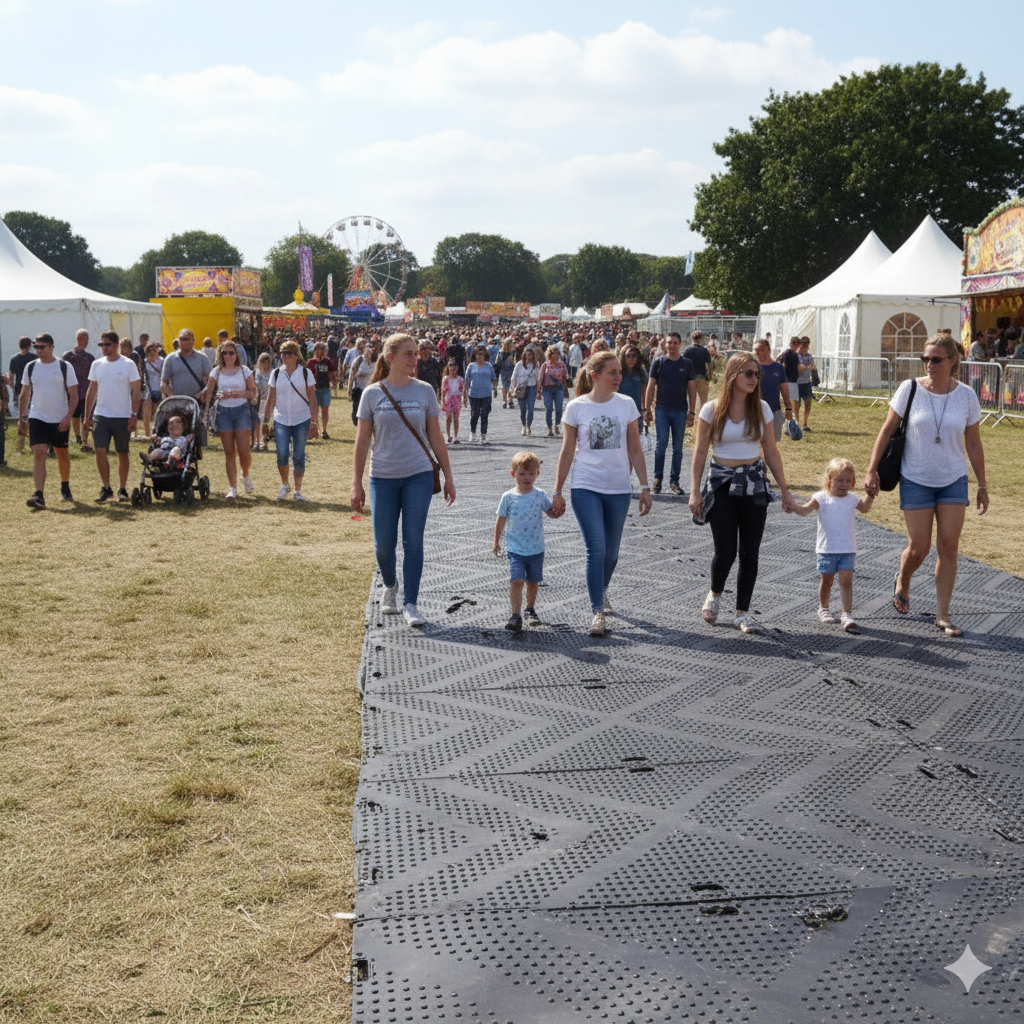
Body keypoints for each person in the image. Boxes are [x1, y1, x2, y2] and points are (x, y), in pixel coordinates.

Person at [864, 334, 988, 636]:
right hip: (915, 477)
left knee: (949, 546)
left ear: (952, 361)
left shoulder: (966, 396)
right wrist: (871, 470)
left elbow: (973, 443)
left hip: (953, 479)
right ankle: (903, 578)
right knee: (919, 547)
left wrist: (982, 484)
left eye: (936, 359)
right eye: (925, 359)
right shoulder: (910, 389)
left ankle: (942, 614)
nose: (929, 365)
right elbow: (886, 430)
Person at [351, 333, 456, 628]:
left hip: (418, 475)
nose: (415, 358)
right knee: (383, 545)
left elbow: (435, 435)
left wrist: (448, 476)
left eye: (416, 353)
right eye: (408, 354)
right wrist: (355, 483)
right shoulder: (371, 394)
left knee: (413, 541)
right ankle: (390, 584)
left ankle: (411, 603)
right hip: (382, 476)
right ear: (390, 358)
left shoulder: (424, 391)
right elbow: (361, 443)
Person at [689, 353, 796, 633]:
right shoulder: (711, 410)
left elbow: (770, 450)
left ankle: (742, 612)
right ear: (733, 375)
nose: (753, 379)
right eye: (748, 373)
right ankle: (715, 593)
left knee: (750, 552)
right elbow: (700, 452)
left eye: (756, 374)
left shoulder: (761, 408)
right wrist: (694, 492)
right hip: (722, 483)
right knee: (725, 551)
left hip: (753, 483)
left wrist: (784, 490)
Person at [551, 351, 652, 637]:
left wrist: (644, 486)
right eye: (612, 372)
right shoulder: (576, 407)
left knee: (612, 553)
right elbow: (568, 450)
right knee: (596, 550)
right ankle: (597, 611)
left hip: (618, 488)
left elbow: (634, 448)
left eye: (620, 372)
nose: (619, 377)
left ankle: (601, 587)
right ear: (595, 376)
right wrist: (557, 490)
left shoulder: (627, 404)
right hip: (585, 486)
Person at [790, 457, 875, 632]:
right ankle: (824, 608)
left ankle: (846, 613)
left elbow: (865, 508)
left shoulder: (852, 499)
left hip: (847, 549)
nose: (844, 484)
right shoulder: (820, 498)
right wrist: (793, 506)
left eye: (848, 481)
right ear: (829, 480)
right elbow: (805, 510)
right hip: (827, 549)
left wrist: (871, 495)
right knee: (827, 580)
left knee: (846, 580)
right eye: (839, 480)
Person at [493, 450, 560, 632]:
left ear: (537, 473)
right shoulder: (508, 497)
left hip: (537, 548)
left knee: (533, 581)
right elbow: (501, 519)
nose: (527, 477)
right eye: (522, 473)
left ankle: (530, 609)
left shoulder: (539, 495)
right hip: (515, 549)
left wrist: (558, 510)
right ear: (513, 474)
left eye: (531, 473)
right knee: (517, 580)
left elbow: (550, 513)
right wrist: (496, 541)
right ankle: (515, 615)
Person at [18, 333, 77, 508]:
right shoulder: (30, 367)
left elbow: (74, 396)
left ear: (51, 347)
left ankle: (65, 486)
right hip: (37, 417)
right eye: (36, 347)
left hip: (59, 418)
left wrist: (68, 417)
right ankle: (39, 495)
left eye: (42, 347)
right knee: (39, 452)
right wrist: (22, 418)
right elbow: (25, 394)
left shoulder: (64, 366)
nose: (39, 350)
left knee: (62, 454)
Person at [83, 330, 142, 503]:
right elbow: (91, 390)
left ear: (117, 346)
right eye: (102, 344)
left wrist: (133, 415)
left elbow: (136, 392)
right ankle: (106, 487)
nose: (104, 348)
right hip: (101, 415)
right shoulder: (97, 364)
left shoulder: (128, 364)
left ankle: (122, 489)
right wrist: (87, 416)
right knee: (100, 450)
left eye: (107, 344)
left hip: (122, 416)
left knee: (122, 453)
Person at [263, 340, 319, 500]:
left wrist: (314, 422)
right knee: (281, 454)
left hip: (302, 418)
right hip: (281, 419)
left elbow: (313, 399)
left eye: (288, 353)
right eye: (282, 353)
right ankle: (285, 484)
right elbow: (270, 398)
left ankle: (298, 490)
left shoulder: (305, 373)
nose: (285, 356)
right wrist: (265, 420)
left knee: (298, 456)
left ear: (296, 356)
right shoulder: (276, 373)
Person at [201, 340, 257, 498]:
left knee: (244, 451)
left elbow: (253, 392)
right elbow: (210, 392)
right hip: (223, 412)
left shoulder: (244, 370)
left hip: (242, 411)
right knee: (229, 453)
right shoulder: (216, 372)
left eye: (231, 352)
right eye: (224, 353)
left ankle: (245, 474)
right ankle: (233, 488)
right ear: (220, 355)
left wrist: (237, 394)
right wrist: (215, 397)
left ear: (236, 354)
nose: (228, 356)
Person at [644, 331, 697, 495]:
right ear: (664, 345)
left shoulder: (687, 364)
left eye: (675, 343)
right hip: (662, 410)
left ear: (680, 344)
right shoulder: (659, 362)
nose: (672, 346)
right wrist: (647, 409)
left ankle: (674, 481)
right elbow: (650, 387)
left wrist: (692, 412)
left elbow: (692, 389)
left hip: (680, 410)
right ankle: (657, 479)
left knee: (678, 448)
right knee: (661, 445)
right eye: (669, 343)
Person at [754, 338, 793, 442]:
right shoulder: (752, 367)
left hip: (774, 410)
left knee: (772, 442)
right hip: (754, 410)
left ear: (769, 351)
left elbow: (784, 389)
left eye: (760, 350)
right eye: (755, 350)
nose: (757, 353)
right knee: (755, 442)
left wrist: (788, 408)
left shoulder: (778, 368)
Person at [61, 328, 95, 450]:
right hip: (72, 391)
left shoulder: (90, 358)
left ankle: (85, 442)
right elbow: (62, 373)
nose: (83, 341)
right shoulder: (68, 356)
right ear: (77, 339)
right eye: (81, 338)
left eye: (86, 338)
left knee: (86, 416)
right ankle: (78, 437)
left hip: (86, 391)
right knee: (74, 416)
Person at [161, 329, 211, 401]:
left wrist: (201, 394)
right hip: (177, 403)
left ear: (193, 341)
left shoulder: (202, 358)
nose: (186, 342)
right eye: (183, 339)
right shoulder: (170, 359)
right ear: (178, 342)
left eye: (189, 339)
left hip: (197, 402)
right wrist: (172, 397)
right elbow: (164, 382)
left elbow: (211, 381)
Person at [9, 336, 36, 454]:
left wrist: (14, 389)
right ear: (29, 345)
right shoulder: (34, 358)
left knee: (21, 418)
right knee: (32, 418)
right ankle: (33, 444)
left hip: (19, 390)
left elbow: (11, 378)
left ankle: (20, 446)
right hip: (33, 391)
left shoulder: (14, 359)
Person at [465, 345, 497, 443]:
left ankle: (483, 436)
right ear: (475, 355)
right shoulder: (471, 366)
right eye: (478, 354)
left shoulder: (489, 366)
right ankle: (472, 433)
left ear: (485, 354)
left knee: (485, 415)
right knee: (475, 414)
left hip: (486, 394)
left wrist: (495, 390)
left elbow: (494, 379)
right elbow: (467, 381)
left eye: (482, 354)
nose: (480, 356)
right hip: (474, 394)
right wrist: (464, 394)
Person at [306, 341, 336, 438]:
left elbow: (332, 374)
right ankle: (314, 431)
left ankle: (324, 430)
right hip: (314, 389)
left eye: (321, 349)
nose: (319, 351)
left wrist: (333, 380)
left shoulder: (328, 362)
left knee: (325, 410)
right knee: (314, 411)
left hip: (325, 388)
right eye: (317, 349)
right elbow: (307, 376)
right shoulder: (311, 362)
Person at [537, 345, 568, 437]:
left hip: (558, 388)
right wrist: (539, 390)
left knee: (559, 409)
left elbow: (565, 376)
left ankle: (557, 425)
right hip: (547, 389)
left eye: (556, 354)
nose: (555, 357)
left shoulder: (562, 365)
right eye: (553, 354)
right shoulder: (545, 365)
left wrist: (563, 384)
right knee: (549, 408)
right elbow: (540, 378)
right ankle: (550, 428)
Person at [682, 331, 714, 418]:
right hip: (702, 377)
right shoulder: (704, 350)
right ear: (701, 339)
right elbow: (710, 365)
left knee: (690, 399)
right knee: (703, 400)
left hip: (690, 379)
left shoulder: (687, 350)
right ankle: (702, 418)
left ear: (692, 339)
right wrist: (710, 375)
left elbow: (683, 364)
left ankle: (690, 417)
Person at [509, 347, 539, 437]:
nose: (528, 357)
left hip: (532, 388)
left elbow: (538, 377)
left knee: (530, 408)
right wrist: (514, 388)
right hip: (521, 388)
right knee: (522, 409)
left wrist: (539, 389)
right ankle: (523, 426)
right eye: (526, 355)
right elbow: (514, 377)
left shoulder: (536, 364)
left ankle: (529, 426)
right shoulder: (519, 364)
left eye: (530, 355)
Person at [617, 345, 649, 428]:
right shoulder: (618, 372)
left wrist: (645, 410)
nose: (631, 359)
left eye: (634, 355)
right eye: (628, 356)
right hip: (619, 411)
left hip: (636, 412)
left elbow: (644, 391)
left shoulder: (641, 372)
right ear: (623, 357)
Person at [348, 339, 375, 427]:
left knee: (370, 413)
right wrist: (349, 388)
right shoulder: (359, 360)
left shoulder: (375, 362)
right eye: (369, 350)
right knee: (357, 414)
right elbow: (352, 375)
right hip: (359, 390)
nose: (371, 353)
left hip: (371, 391)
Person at [141, 341, 164, 437]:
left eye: (154, 350)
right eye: (149, 351)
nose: (152, 352)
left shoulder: (162, 361)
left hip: (159, 389)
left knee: (158, 413)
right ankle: (147, 434)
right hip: (148, 389)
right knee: (146, 414)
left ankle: (158, 432)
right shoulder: (144, 362)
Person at [441, 360, 465, 443]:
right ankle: (448, 435)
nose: (453, 369)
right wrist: (443, 402)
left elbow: (462, 389)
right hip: (448, 399)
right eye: (451, 366)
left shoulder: (460, 379)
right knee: (448, 418)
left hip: (457, 399)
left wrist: (464, 399)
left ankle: (455, 436)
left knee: (456, 418)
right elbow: (443, 391)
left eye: (455, 367)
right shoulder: (446, 379)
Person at [253, 352, 273, 450]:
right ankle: (257, 441)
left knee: (265, 423)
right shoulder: (255, 372)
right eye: (262, 361)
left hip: (268, 400)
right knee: (257, 422)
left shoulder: (272, 373)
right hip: (257, 401)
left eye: (266, 362)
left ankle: (265, 442)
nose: (264, 364)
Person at [796, 337, 816, 429]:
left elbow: (812, 366)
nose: (805, 348)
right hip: (796, 383)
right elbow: (798, 367)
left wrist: (807, 367)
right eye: (804, 346)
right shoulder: (795, 356)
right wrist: (805, 367)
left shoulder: (809, 356)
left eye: (807, 346)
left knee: (808, 403)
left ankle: (805, 424)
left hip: (807, 382)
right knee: (797, 404)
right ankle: (796, 423)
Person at [495, 340, 515, 407]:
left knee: (511, 385)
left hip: (511, 369)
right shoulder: (501, 352)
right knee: (504, 385)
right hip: (503, 370)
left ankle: (510, 400)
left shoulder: (513, 352)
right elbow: (497, 361)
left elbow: (516, 361)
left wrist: (513, 362)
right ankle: (504, 400)